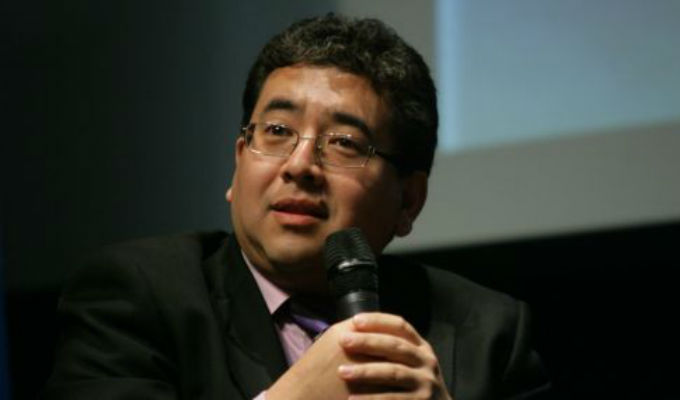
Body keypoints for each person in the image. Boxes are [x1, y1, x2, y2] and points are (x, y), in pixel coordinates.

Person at [44, 14, 550, 400]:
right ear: (239, 162)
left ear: (409, 200)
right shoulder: (136, 298)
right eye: (277, 131)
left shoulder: (488, 334)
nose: (300, 164)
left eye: (345, 143)